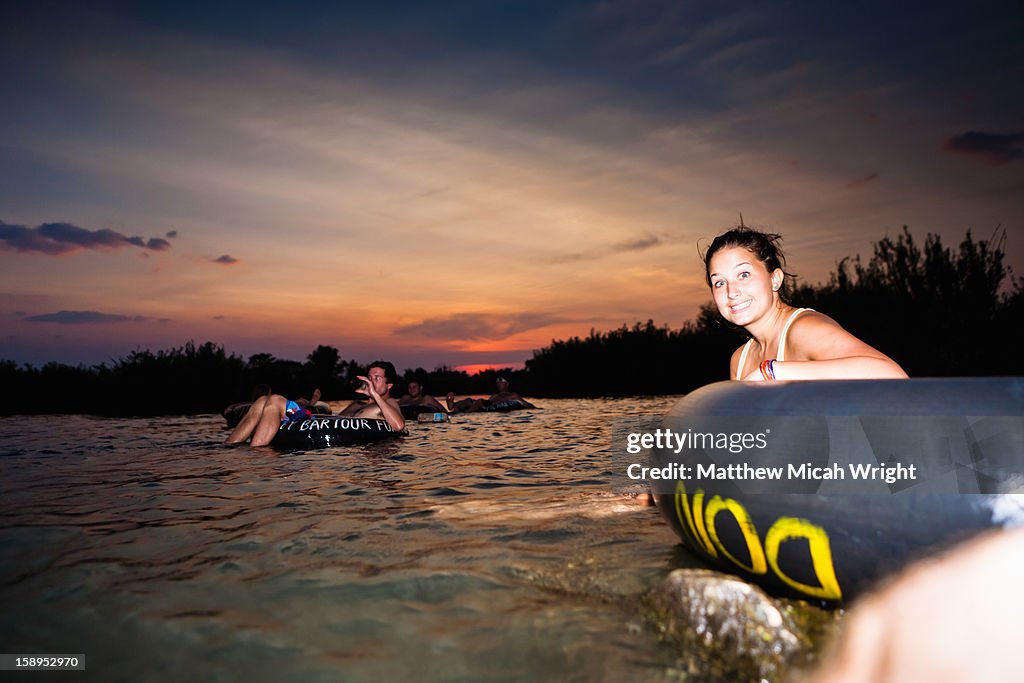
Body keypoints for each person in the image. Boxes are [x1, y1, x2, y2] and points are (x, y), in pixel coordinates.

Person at [704, 226, 907, 380]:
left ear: (775, 279)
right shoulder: (740, 360)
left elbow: (892, 375)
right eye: (719, 282)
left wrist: (772, 371)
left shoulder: (804, 329)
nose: (731, 291)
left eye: (744, 274)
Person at [225, 361, 404, 446]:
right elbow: (334, 421)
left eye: (377, 378)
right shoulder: (356, 404)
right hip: (308, 423)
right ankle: (228, 448)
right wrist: (309, 406)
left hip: (317, 432)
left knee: (275, 399)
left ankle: (254, 456)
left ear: (389, 385)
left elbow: (398, 425)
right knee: (263, 401)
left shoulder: (389, 404)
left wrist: (375, 396)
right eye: (369, 377)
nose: (370, 381)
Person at [446, 376, 537, 412]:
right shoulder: (494, 396)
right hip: (488, 405)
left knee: (479, 402)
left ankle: (465, 413)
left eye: (501, 382)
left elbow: (524, 403)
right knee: (468, 400)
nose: (498, 384)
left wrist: (535, 408)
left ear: (507, 384)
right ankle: (452, 405)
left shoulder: (513, 395)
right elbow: (489, 402)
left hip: (487, 405)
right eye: (497, 382)